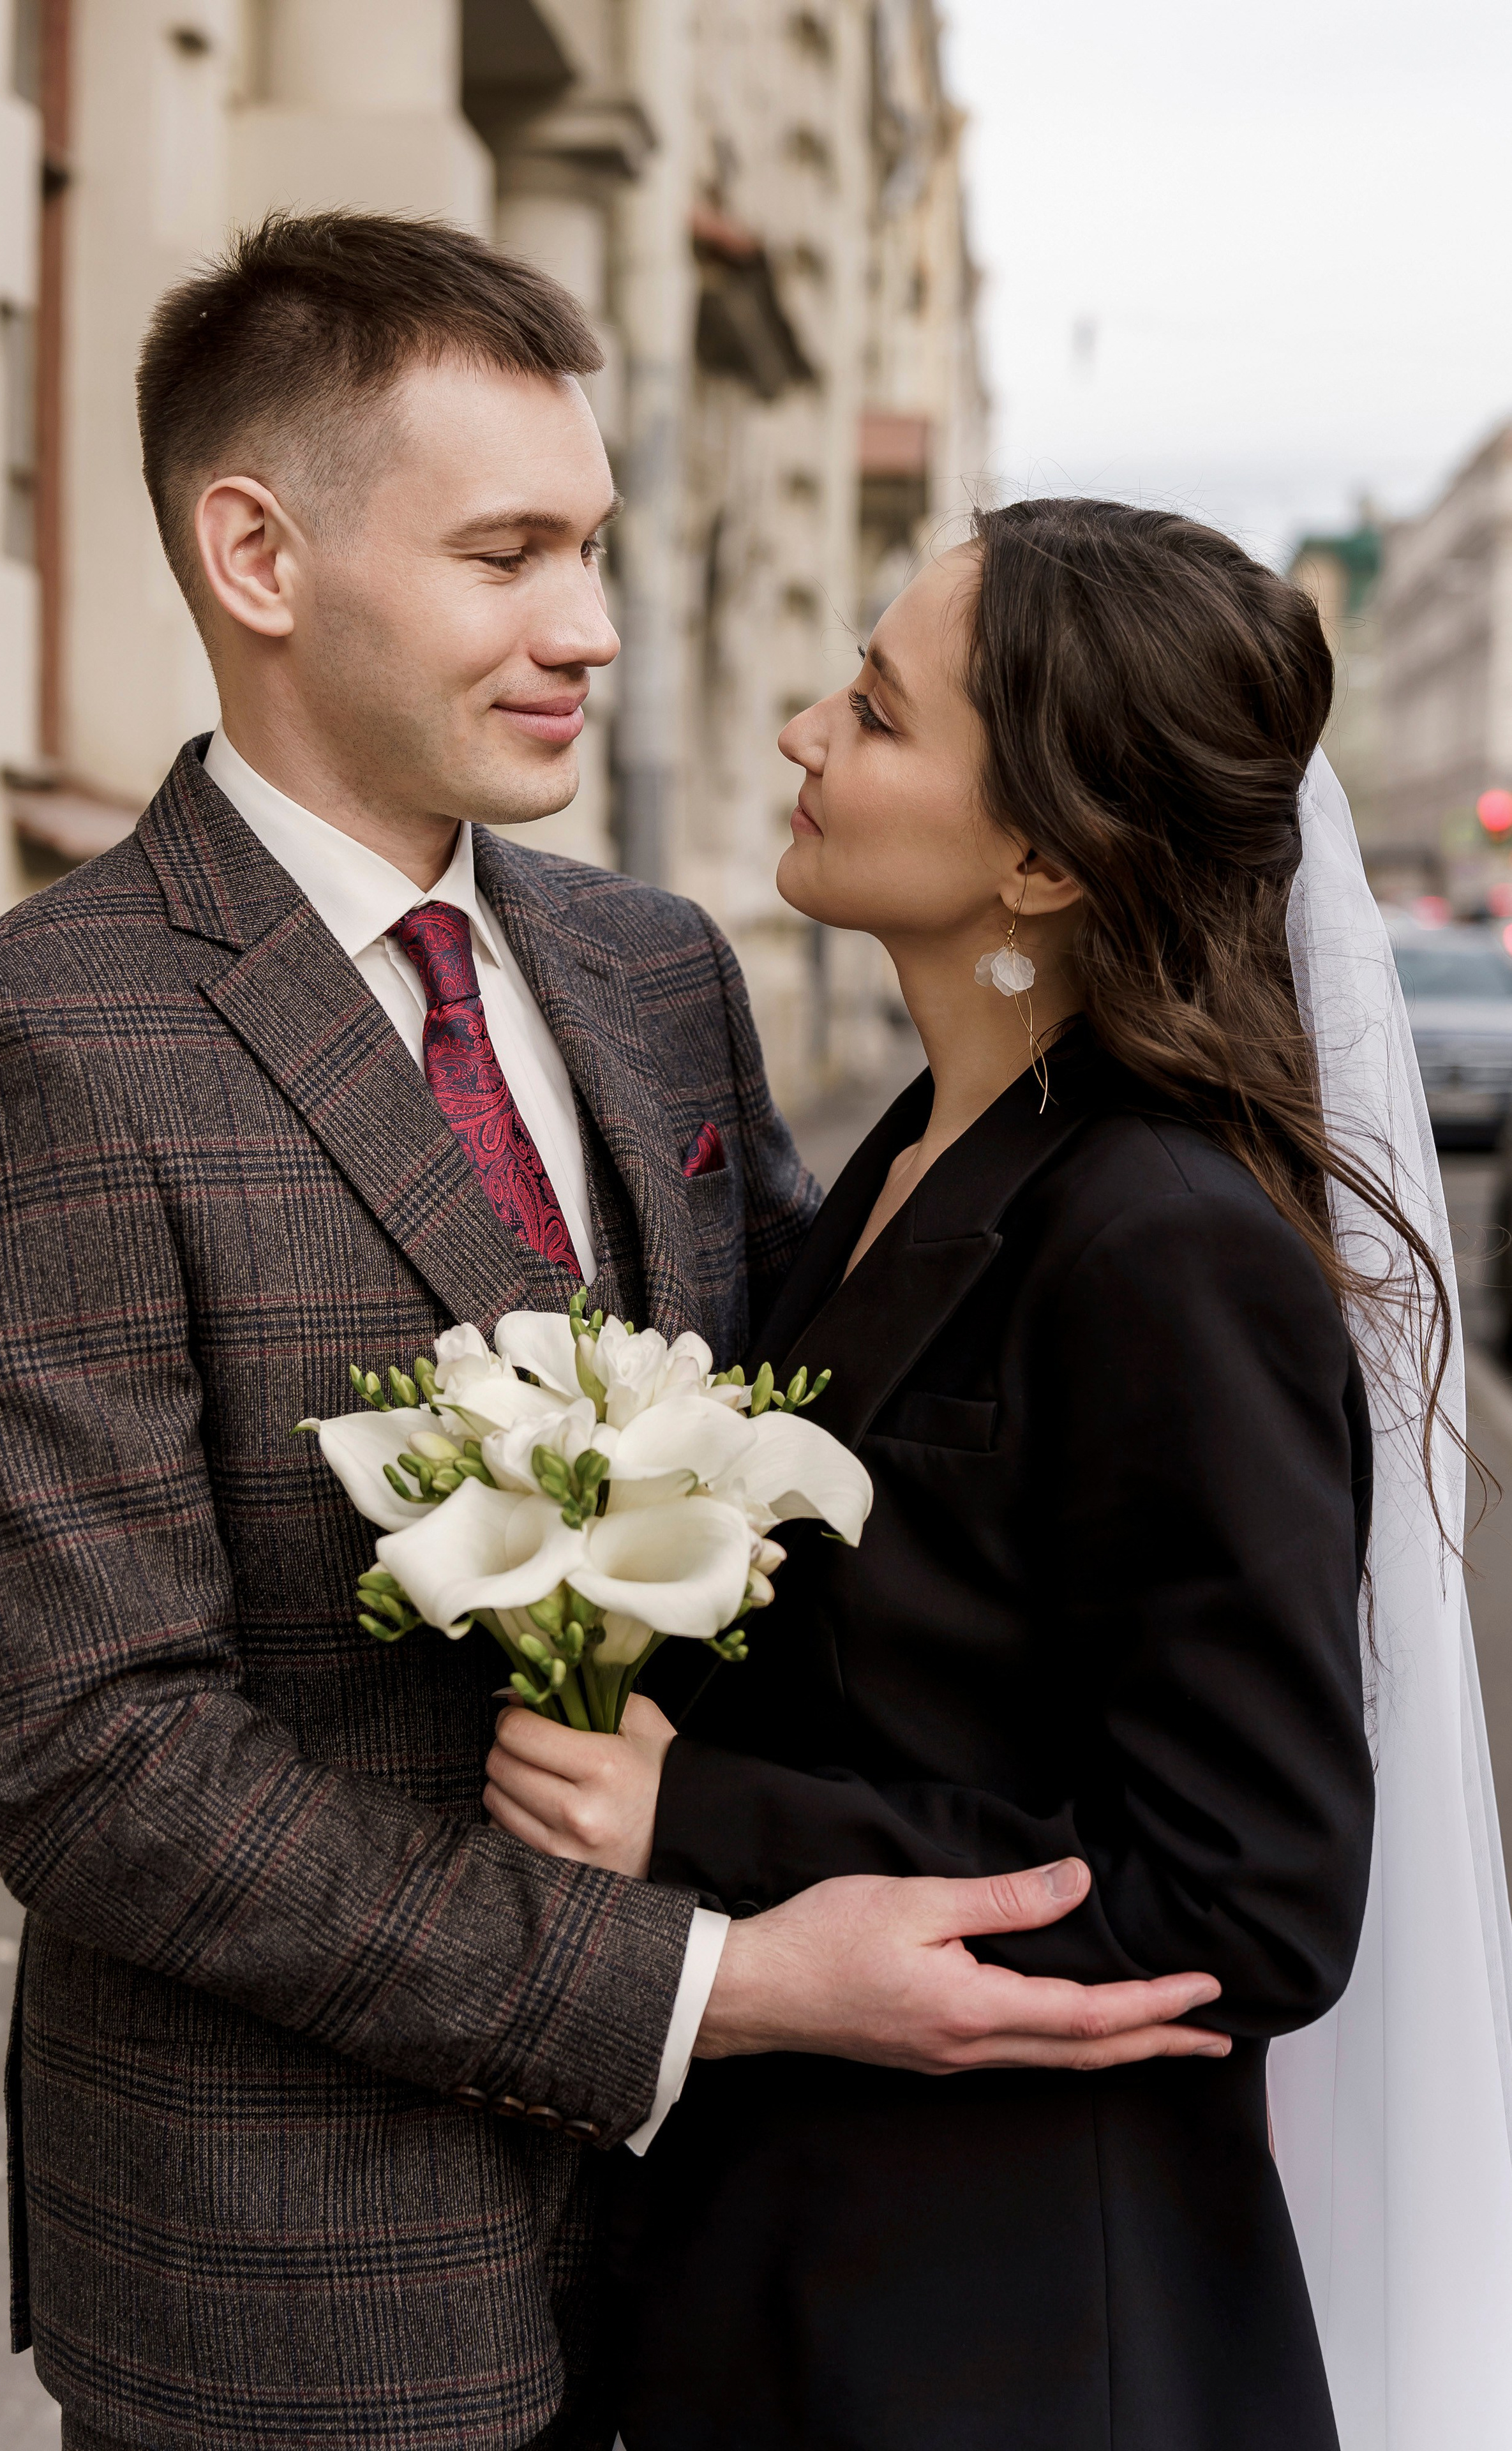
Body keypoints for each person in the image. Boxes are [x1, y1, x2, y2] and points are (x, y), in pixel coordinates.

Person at [0, 227, 1225, 2451]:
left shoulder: (650, 967)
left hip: (747, 2259)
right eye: (508, 553)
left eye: (591, 545)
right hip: (301, 2295)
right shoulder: (35, 1047)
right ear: (259, 554)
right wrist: (723, 1980)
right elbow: (105, 1768)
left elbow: (828, 1465)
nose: (589, 629)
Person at [481, 498, 1404, 2449]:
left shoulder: (1166, 1235)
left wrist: (700, 1818)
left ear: (1048, 859)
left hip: (1016, 2331)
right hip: (794, 2280)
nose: (801, 735)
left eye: (878, 714)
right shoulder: (904, 1161)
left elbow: (1257, 1898)